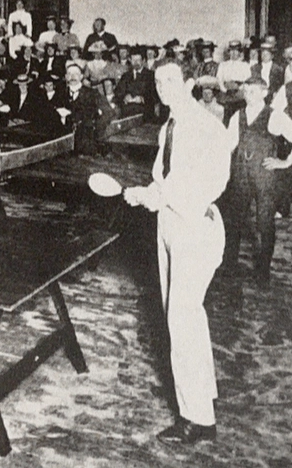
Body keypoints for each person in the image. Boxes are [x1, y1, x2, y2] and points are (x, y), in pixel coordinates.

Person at [124, 62, 231, 445]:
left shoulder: (205, 127)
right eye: (157, 81)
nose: (163, 87)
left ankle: (197, 419)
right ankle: (202, 400)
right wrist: (147, 195)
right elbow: (162, 179)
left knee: (183, 321)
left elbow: (212, 181)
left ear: (188, 83)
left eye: (171, 80)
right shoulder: (168, 127)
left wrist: (158, 197)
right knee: (182, 320)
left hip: (193, 229)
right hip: (168, 226)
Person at [221, 76, 278, 283]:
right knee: (234, 220)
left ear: (264, 92)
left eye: (253, 91)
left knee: (265, 223)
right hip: (241, 174)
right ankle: (230, 265)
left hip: (264, 177)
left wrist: (284, 162)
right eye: (246, 91)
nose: (248, 95)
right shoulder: (238, 115)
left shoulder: (274, 115)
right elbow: (228, 144)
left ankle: (263, 271)